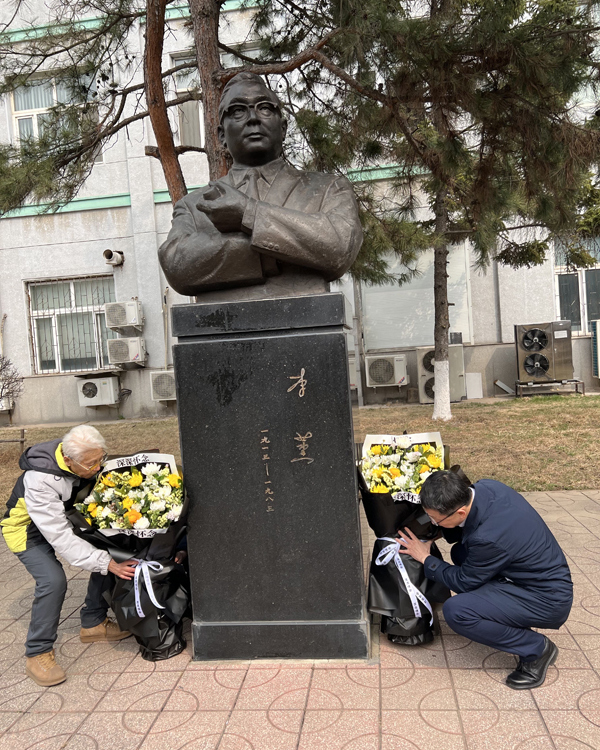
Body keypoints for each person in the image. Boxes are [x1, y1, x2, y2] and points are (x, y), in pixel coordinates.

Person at [158, 72, 363, 298]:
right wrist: (280, 252)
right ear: (221, 135)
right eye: (238, 111)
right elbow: (176, 265)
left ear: (283, 129)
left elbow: (339, 246)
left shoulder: (328, 188)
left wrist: (249, 213)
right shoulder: (194, 205)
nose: (253, 118)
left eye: (265, 108)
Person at [398, 471, 573, 689]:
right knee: (461, 553)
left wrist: (425, 558)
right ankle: (502, 610)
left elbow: (463, 582)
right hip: (532, 577)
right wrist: (433, 532)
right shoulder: (487, 488)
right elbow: (466, 530)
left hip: (547, 600)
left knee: (458, 611)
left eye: (435, 519)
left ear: (460, 512)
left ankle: (536, 649)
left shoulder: (488, 538)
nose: (432, 522)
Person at [1, 425, 138, 687]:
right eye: (91, 464)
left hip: (63, 518)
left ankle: (93, 622)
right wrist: (107, 563)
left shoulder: (82, 456)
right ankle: (37, 652)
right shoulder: (39, 480)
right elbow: (60, 537)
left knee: (110, 546)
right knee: (53, 581)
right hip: (27, 530)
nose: (97, 468)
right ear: (67, 460)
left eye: (100, 459)